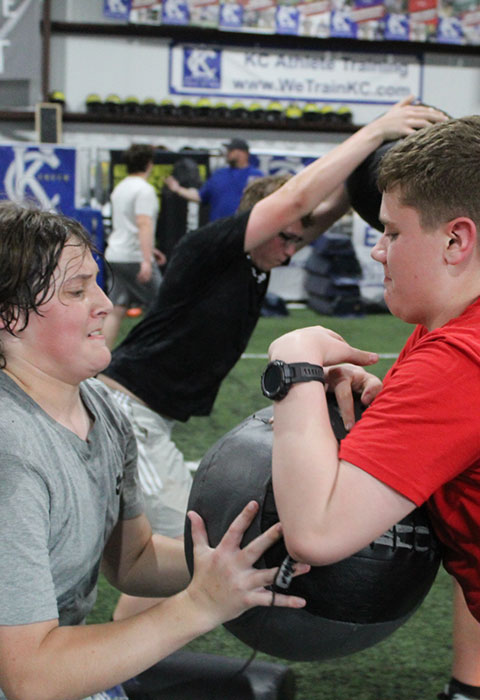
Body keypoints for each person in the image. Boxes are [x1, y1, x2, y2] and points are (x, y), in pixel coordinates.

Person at [98, 96, 448, 620]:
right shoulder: (210, 249)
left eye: (295, 239)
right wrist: (377, 130)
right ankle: (118, 668)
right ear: (258, 224)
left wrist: (394, 169)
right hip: (126, 412)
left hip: (151, 421)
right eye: (283, 237)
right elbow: (292, 203)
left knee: (186, 552)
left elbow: (322, 211)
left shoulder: (262, 262)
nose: (290, 250)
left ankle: (129, 663)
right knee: (191, 551)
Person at [0, 201, 309, 700]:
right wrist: (198, 606)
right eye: (77, 290)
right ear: (11, 317)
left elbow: (134, 559)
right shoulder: (10, 451)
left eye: (96, 283)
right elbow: (30, 678)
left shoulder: (101, 405)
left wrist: (246, 561)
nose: (103, 303)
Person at [262, 115, 480, 699]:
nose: (379, 252)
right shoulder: (448, 331)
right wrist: (392, 403)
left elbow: (317, 530)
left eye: (392, 233)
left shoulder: (458, 357)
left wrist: (295, 360)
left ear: (456, 240)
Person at [103, 143, 166, 348]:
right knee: (164, 308)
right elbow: (143, 223)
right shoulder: (144, 190)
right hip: (134, 257)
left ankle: (100, 359)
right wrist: (146, 260)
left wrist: (150, 251)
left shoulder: (120, 188)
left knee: (117, 308)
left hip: (115, 254)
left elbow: (126, 225)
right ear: (149, 164)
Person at [165, 138, 263, 221]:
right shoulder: (219, 174)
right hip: (218, 231)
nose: (227, 153)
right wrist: (177, 189)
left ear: (243, 153)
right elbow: (199, 196)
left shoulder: (256, 176)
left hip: (244, 230)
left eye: (231, 150)